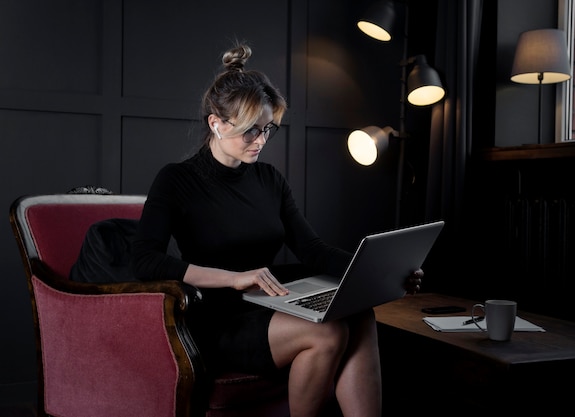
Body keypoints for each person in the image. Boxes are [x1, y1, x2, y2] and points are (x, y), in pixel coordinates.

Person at [131, 43, 423, 417]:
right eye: (251, 131)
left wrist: (382, 272)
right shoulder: (176, 180)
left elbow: (312, 248)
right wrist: (232, 278)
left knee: (360, 312)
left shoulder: (268, 179)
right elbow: (144, 260)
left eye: (268, 129)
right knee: (328, 333)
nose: (261, 141)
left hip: (270, 303)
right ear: (216, 123)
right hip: (217, 318)